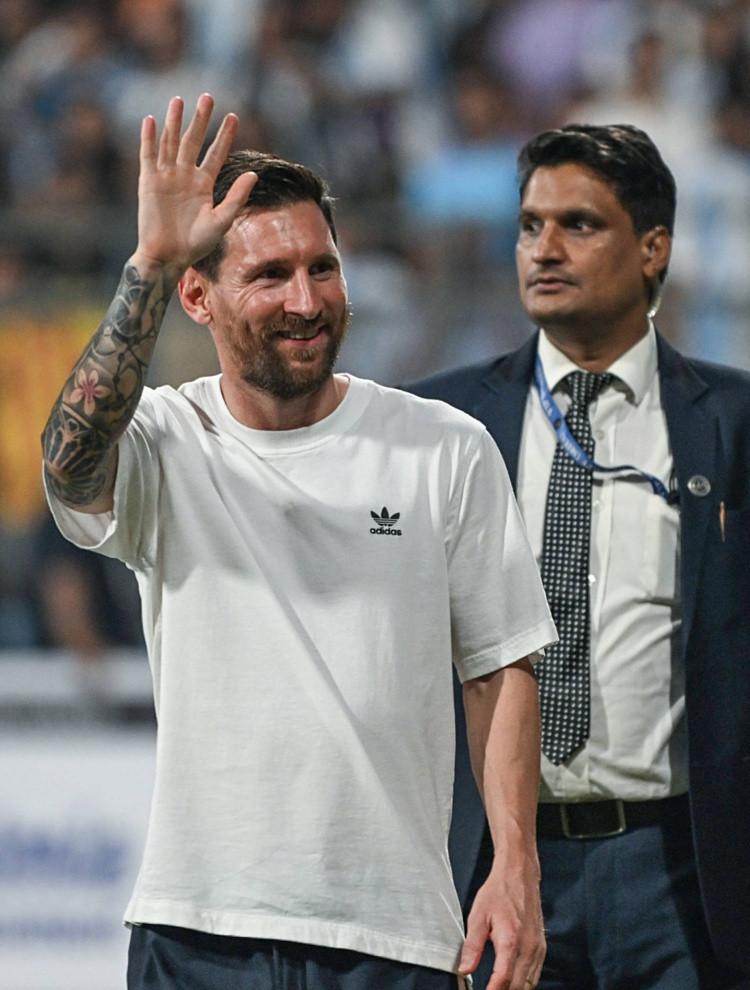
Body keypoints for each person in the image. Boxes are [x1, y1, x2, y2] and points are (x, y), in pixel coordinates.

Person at [40, 94, 557, 990]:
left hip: (393, 934)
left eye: (324, 267)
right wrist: (150, 264)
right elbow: (68, 462)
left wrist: (516, 867)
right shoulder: (164, 439)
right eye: (271, 275)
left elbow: (499, 669)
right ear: (197, 297)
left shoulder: (445, 446)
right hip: (198, 928)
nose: (306, 300)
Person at [407, 123, 750, 989]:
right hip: (492, 865)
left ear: (653, 248)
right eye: (530, 225)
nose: (544, 248)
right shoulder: (439, 423)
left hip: (684, 870)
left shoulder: (733, 423)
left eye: (579, 224)